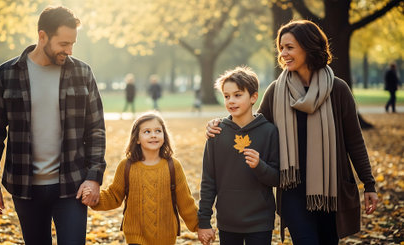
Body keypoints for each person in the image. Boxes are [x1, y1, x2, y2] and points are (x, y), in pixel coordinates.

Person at [206, 20, 378, 244]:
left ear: (308, 47)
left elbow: (354, 141)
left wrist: (369, 184)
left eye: (290, 47)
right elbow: (251, 124)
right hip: (292, 189)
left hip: (330, 188)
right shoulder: (277, 91)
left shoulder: (338, 89)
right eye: (281, 48)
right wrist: (220, 125)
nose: (283, 53)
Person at [0, 6, 106, 245]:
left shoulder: (82, 72)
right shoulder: (7, 75)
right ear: (42, 36)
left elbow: (96, 129)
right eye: (64, 44)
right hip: (25, 187)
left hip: (72, 185)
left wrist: (94, 177)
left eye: (73, 44)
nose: (69, 51)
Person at [82, 112, 199, 245]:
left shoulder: (173, 166)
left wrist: (200, 226)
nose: (153, 135)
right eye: (147, 131)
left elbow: (185, 202)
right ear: (137, 138)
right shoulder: (126, 166)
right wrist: (94, 199)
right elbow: (114, 196)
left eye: (158, 131)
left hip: (166, 236)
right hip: (135, 236)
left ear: (164, 136)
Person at [198, 66, 279, 245]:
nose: (231, 101)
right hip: (228, 222)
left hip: (260, 222)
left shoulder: (269, 132)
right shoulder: (216, 133)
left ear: (253, 97)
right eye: (226, 96)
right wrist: (204, 221)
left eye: (237, 95)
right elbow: (208, 180)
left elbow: (278, 178)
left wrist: (260, 166)